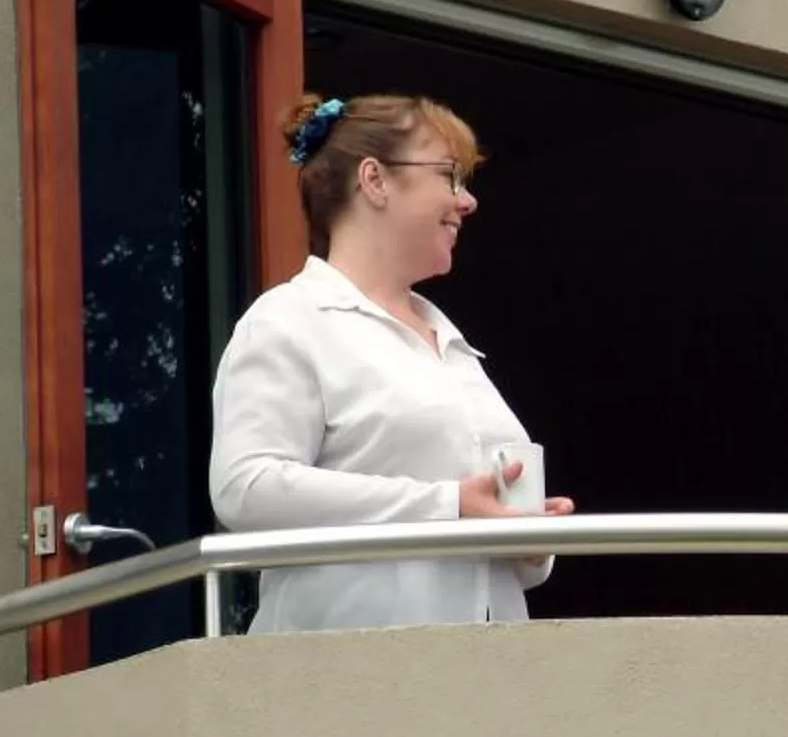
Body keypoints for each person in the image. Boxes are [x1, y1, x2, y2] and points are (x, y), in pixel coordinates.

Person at [209, 91, 574, 633]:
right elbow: (245, 487)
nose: (467, 201)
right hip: (349, 677)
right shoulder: (290, 319)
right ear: (375, 180)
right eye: (449, 176)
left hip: (490, 674)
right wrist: (447, 504)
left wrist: (525, 537)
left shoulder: (450, 341)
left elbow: (483, 539)